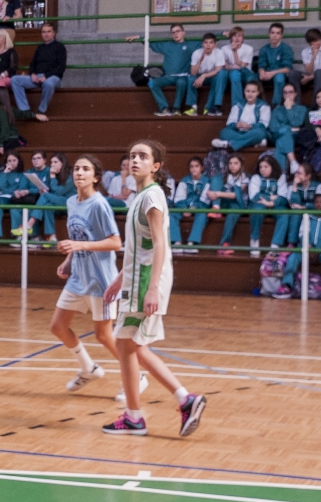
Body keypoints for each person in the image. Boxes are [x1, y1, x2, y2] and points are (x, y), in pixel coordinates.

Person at [101, 139, 207, 437]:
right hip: (136, 278)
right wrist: (120, 278)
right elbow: (140, 248)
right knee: (127, 345)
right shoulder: (139, 197)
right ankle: (140, 414)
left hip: (146, 281)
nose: (135, 160)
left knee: (130, 345)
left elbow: (160, 245)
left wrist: (151, 289)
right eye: (132, 155)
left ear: (156, 166)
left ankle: (179, 401)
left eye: (143, 156)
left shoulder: (151, 198)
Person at [48, 154, 123, 391]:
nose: (79, 172)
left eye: (86, 169)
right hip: (78, 277)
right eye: (77, 169)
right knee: (58, 327)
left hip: (100, 279)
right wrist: (69, 259)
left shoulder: (99, 204)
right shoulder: (72, 202)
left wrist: (79, 246)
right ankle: (88, 368)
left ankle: (135, 377)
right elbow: (78, 236)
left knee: (104, 335)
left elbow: (115, 242)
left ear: (96, 177)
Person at [274, 191, 321, 298]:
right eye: (316, 202)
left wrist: (316, 250)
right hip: (307, 247)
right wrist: (308, 245)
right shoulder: (308, 216)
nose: (319, 204)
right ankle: (287, 285)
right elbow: (303, 233)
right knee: (293, 257)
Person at [10, 21, 66, 120]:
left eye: (49, 31)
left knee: (48, 84)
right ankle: (25, 110)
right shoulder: (40, 48)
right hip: (37, 77)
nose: (46, 34)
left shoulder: (60, 47)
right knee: (15, 80)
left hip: (53, 78)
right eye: (44, 32)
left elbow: (61, 68)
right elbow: (32, 65)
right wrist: (32, 74)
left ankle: (41, 110)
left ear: (54, 33)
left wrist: (46, 77)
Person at [144, 24, 198, 117]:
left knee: (181, 83)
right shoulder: (167, 45)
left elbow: (208, 41)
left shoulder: (191, 44)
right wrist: (140, 38)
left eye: (177, 31)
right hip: (168, 76)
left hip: (183, 76)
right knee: (152, 83)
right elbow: (150, 43)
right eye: (173, 32)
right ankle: (164, 108)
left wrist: (221, 34)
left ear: (183, 32)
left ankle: (176, 109)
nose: (175, 34)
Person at [245, 152, 286, 258]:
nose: (262, 169)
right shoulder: (256, 177)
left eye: (266, 167)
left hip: (275, 205)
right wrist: (271, 197)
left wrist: (271, 203)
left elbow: (283, 197)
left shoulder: (280, 177)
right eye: (260, 167)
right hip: (259, 204)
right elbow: (254, 196)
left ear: (272, 167)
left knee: (284, 214)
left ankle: (275, 245)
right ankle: (254, 240)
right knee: (257, 210)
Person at [209, 152, 249, 256]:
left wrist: (218, 193)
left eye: (235, 163)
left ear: (241, 165)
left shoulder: (244, 177)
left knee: (232, 214)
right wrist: (209, 193)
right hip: (224, 202)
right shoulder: (224, 177)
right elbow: (210, 189)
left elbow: (236, 195)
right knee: (215, 178)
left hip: (237, 204)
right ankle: (216, 208)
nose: (232, 166)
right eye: (230, 163)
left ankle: (224, 244)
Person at [28, 152, 73, 244]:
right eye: (51, 162)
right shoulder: (55, 175)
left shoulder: (71, 175)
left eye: (55, 162)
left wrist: (52, 177)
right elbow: (54, 193)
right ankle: (52, 237)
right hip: (59, 203)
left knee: (45, 196)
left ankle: (29, 224)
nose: (52, 165)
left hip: (71, 203)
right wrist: (46, 192)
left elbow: (59, 192)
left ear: (63, 163)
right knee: (48, 206)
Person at [212, 80, 271, 151]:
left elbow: (264, 125)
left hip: (253, 132)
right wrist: (236, 125)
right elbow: (229, 123)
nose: (250, 94)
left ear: (258, 93)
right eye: (248, 91)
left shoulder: (264, 106)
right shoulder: (238, 105)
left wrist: (249, 126)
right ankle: (253, 143)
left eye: (253, 92)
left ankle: (229, 144)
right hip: (239, 132)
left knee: (259, 133)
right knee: (224, 132)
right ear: (244, 91)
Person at [272, 160, 319, 248]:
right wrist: (294, 186)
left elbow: (320, 204)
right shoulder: (292, 184)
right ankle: (291, 243)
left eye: (299, 173)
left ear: (308, 176)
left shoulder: (318, 186)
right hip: (298, 210)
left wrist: (304, 206)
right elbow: (294, 203)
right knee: (295, 212)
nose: (296, 175)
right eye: (296, 172)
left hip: (314, 211)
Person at [169, 156, 210, 256]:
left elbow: (205, 200)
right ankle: (176, 242)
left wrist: (194, 208)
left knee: (202, 215)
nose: (194, 169)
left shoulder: (207, 181)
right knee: (171, 214)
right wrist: (184, 209)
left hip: (199, 208)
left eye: (196, 166)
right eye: (191, 166)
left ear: (202, 168)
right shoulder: (185, 180)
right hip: (184, 208)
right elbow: (179, 198)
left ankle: (192, 243)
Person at [257, 23, 301, 105]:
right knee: (252, 78)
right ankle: (258, 105)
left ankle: (276, 105)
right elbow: (261, 64)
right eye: (272, 33)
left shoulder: (286, 48)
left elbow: (287, 68)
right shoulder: (264, 49)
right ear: (269, 34)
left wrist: (272, 73)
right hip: (267, 74)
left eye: (278, 33)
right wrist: (261, 72)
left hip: (280, 74)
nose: (274, 36)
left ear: (281, 35)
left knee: (279, 77)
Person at [188, 31, 229, 115]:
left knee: (222, 74)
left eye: (211, 43)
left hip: (212, 76)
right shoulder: (196, 53)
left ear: (215, 45)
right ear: (202, 44)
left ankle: (214, 106)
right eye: (206, 42)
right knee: (190, 79)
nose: (208, 45)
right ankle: (193, 107)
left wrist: (204, 76)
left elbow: (218, 70)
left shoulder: (219, 52)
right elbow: (193, 72)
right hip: (199, 76)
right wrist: (200, 60)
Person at [269, 81, 309, 165]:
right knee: (285, 131)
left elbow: (296, 123)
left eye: (290, 92)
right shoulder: (277, 109)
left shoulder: (302, 109)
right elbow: (273, 128)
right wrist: (289, 128)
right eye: (285, 93)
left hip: (295, 137)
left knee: (281, 140)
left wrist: (289, 109)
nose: (287, 95)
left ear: (295, 94)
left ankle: (282, 172)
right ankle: (293, 162)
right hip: (277, 135)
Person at [220, 26, 257, 109]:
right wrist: (222, 33)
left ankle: (250, 104)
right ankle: (237, 106)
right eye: (234, 36)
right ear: (230, 38)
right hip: (231, 73)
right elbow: (226, 66)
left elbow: (241, 66)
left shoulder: (248, 49)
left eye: (239, 36)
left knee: (240, 74)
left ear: (243, 38)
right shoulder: (224, 49)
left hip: (245, 73)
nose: (237, 38)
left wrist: (235, 52)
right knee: (235, 74)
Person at [299, 27, 321, 99]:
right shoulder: (304, 52)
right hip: (312, 74)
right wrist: (313, 56)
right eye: (315, 41)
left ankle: (316, 102)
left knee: (319, 72)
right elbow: (309, 71)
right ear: (309, 43)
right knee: (293, 74)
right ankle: (295, 102)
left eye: (319, 39)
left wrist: (309, 78)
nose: (318, 42)